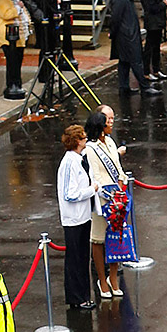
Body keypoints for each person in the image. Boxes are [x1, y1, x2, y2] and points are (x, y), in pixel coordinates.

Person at [85, 105, 129, 298]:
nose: (111, 124)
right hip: (101, 200)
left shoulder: (110, 142)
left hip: (117, 197)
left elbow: (118, 168)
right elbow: (94, 175)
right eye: (108, 122)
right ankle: (102, 279)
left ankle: (113, 277)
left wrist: (122, 183)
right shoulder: (90, 148)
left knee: (115, 238)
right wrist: (108, 194)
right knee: (99, 240)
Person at [56, 122, 97, 310]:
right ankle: (76, 297)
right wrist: (91, 190)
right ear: (76, 141)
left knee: (82, 258)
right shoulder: (69, 163)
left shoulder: (78, 159)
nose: (85, 139)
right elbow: (70, 194)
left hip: (82, 216)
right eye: (82, 137)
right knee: (75, 260)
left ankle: (82, 296)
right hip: (73, 219)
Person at [107, 0, 148, 95]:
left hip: (128, 35)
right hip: (126, 37)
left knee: (124, 63)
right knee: (135, 61)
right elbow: (116, 18)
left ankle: (124, 87)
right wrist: (113, 33)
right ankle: (144, 87)